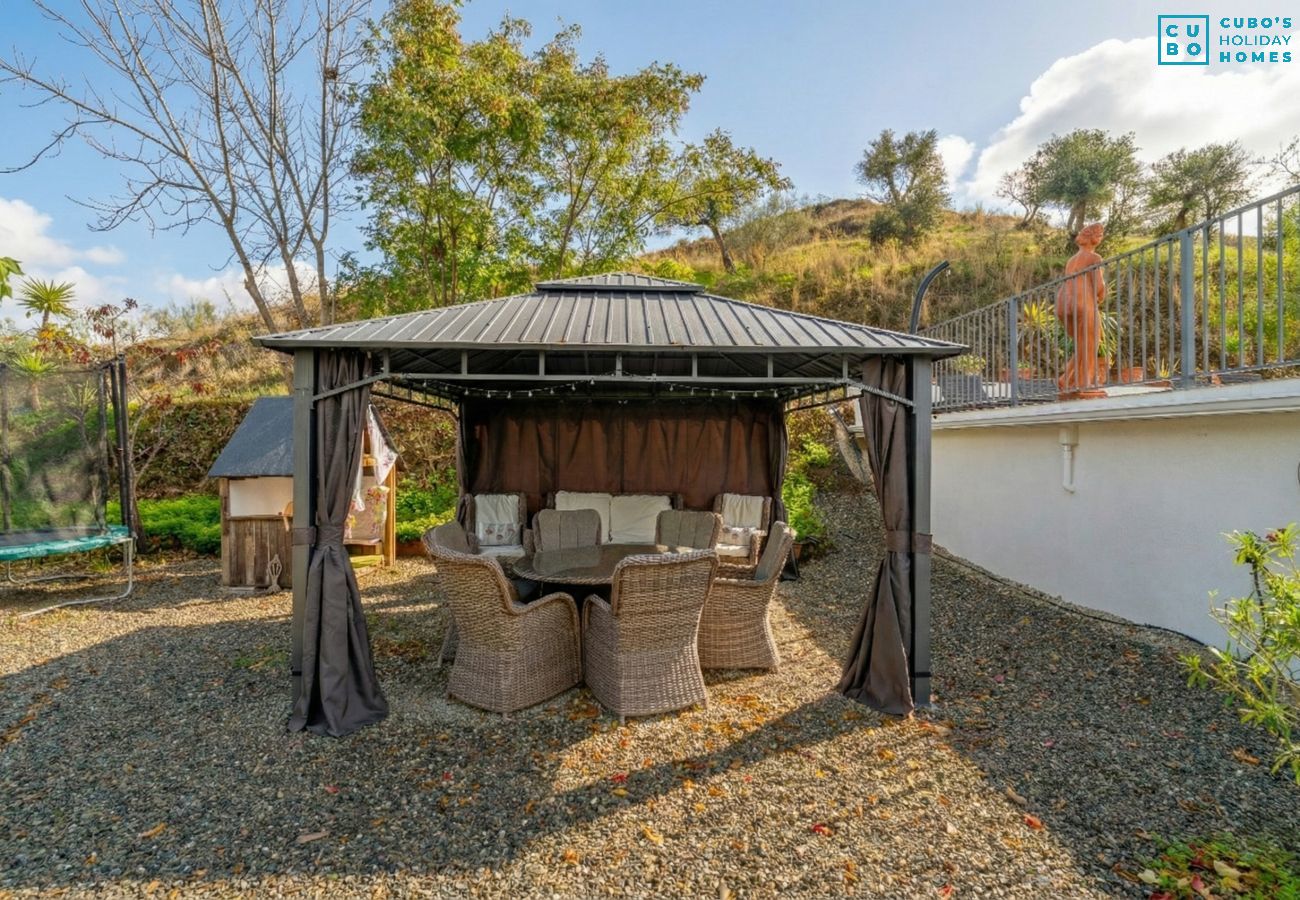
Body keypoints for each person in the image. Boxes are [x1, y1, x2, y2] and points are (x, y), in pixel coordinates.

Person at [1055, 223, 1107, 393]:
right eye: (1099, 235)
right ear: (1093, 238)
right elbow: (1098, 285)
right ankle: (1084, 384)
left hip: (1064, 303)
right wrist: (1101, 295)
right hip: (1083, 301)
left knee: (1082, 344)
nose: (1100, 238)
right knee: (1091, 343)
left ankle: (1066, 379)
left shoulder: (1071, 260)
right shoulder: (1094, 258)